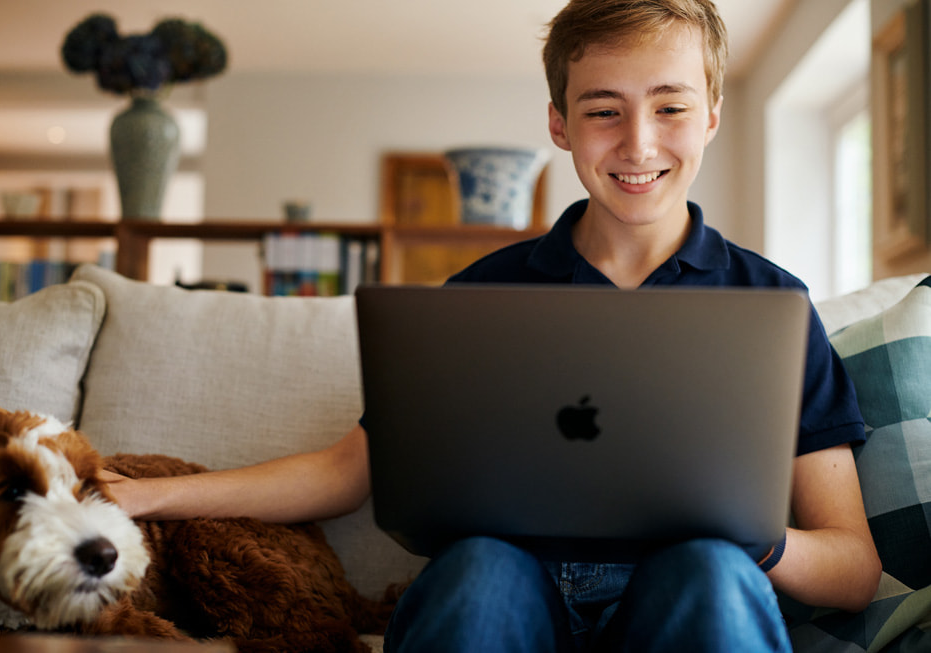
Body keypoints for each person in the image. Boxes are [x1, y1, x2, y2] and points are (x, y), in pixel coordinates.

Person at [105, 0, 882, 650]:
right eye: (603, 110)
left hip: (686, 598)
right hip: (509, 593)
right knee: (479, 569)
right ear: (560, 124)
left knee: (711, 570)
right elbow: (347, 471)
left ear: (711, 114)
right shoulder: (482, 294)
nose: (638, 142)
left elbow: (853, 570)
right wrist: (151, 496)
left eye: (670, 106)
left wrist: (756, 539)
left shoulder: (773, 304)